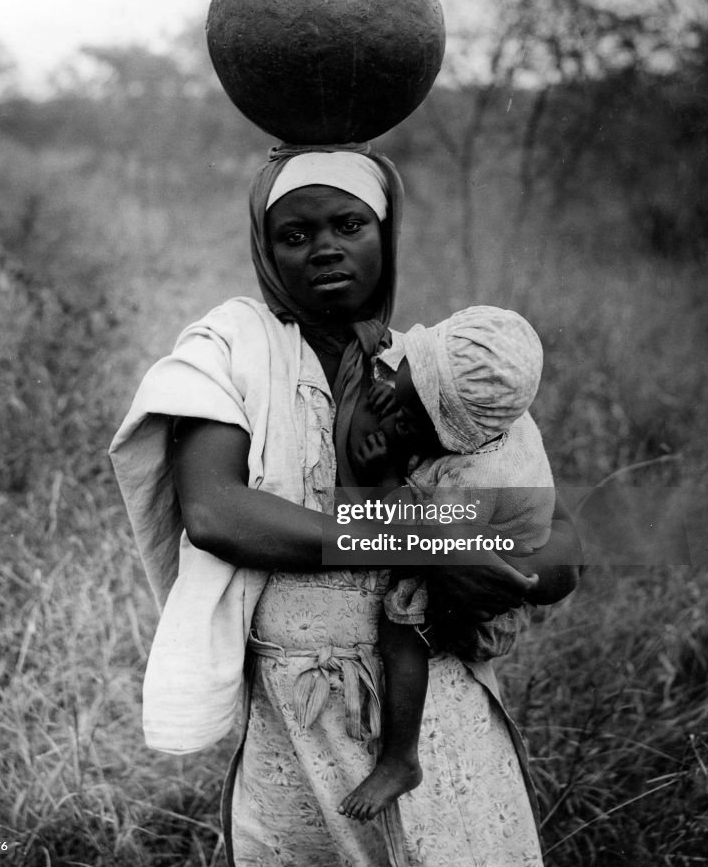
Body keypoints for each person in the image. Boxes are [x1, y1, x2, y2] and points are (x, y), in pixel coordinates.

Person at [110, 144, 581, 867]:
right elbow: (216, 513)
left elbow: (555, 547)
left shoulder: (447, 372)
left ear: (385, 235)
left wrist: (488, 565)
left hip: (432, 704)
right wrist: (428, 543)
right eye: (293, 235)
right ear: (264, 252)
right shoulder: (230, 352)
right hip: (299, 709)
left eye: (349, 225)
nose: (324, 249)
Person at [338, 306, 555, 823]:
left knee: (400, 631)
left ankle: (400, 759)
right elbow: (423, 381)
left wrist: (383, 471)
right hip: (465, 541)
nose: (396, 408)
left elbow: (415, 533)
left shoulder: (472, 476)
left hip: (479, 583)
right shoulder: (498, 408)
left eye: (414, 414)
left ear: (451, 430)